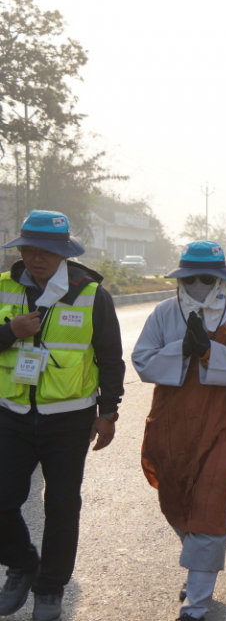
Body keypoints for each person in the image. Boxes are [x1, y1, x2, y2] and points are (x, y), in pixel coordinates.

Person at [133, 240, 226, 621]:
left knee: (209, 507)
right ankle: (197, 567)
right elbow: (143, 361)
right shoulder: (164, 313)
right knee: (178, 501)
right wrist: (181, 350)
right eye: (191, 277)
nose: (198, 284)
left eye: (207, 277)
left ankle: (196, 602)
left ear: (220, 279)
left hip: (224, 423)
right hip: (171, 421)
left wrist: (211, 354)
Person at [0, 210, 125, 621]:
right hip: (12, 414)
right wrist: (10, 332)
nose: (37, 259)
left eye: (47, 252)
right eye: (30, 250)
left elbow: (110, 358)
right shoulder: (3, 288)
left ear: (63, 253)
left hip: (69, 419)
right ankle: (21, 563)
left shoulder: (91, 294)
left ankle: (51, 589)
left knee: (62, 504)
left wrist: (108, 411)